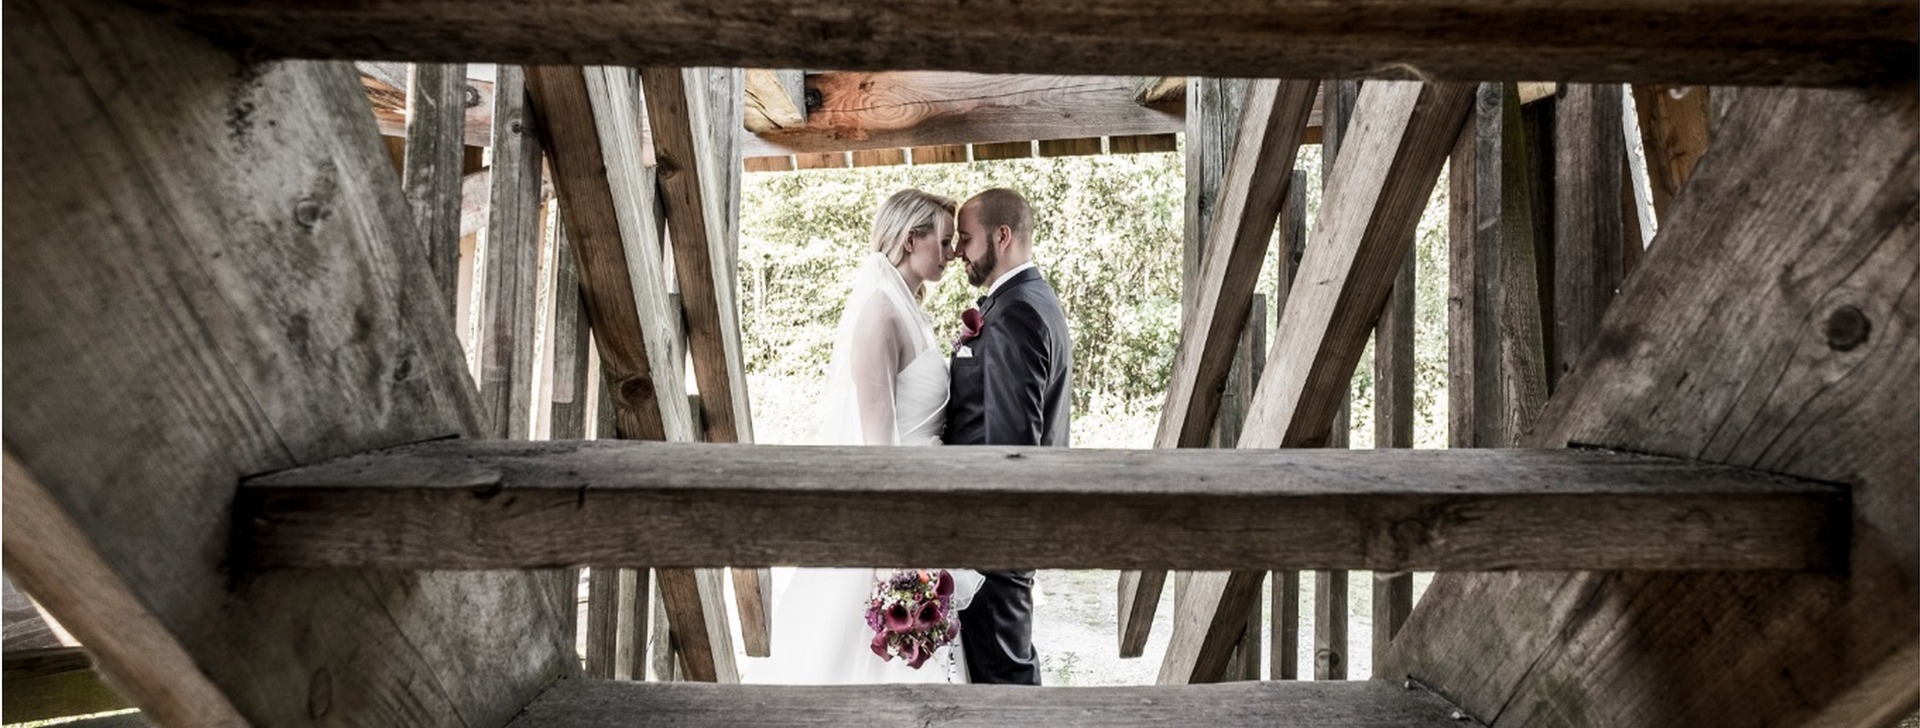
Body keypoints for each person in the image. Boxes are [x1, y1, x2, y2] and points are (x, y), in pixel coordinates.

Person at [748, 189, 985, 685]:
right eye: (942, 240)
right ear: (910, 237)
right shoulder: (880, 314)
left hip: (925, 499)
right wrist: (890, 546)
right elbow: (877, 445)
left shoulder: (912, 310)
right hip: (895, 509)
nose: (951, 251)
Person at [944, 188, 1072, 685]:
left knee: (1006, 682)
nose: (958, 251)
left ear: (1002, 236)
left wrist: (991, 543)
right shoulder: (1032, 299)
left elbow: (1011, 444)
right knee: (1000, 669)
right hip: (1004, 529)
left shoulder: (1015, 313)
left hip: (995, 533)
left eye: (967, 239)